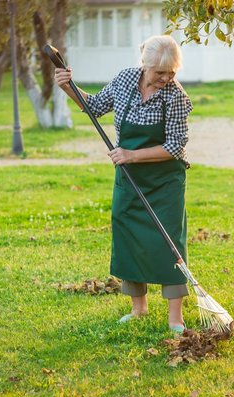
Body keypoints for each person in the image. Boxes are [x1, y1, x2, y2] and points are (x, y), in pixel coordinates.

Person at [54, 35, 193, 333]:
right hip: (130, 179)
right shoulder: (125, 79)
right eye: (160, 73)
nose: (166, 78)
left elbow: (175, 147)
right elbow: (94, 106)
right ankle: (138, 309)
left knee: (169, 243)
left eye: (172, 72)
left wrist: (131, 154)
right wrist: (68, 86)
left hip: (165, 181)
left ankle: (175, 319)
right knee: (130, 238)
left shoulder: (176, 97)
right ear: (144, 65)